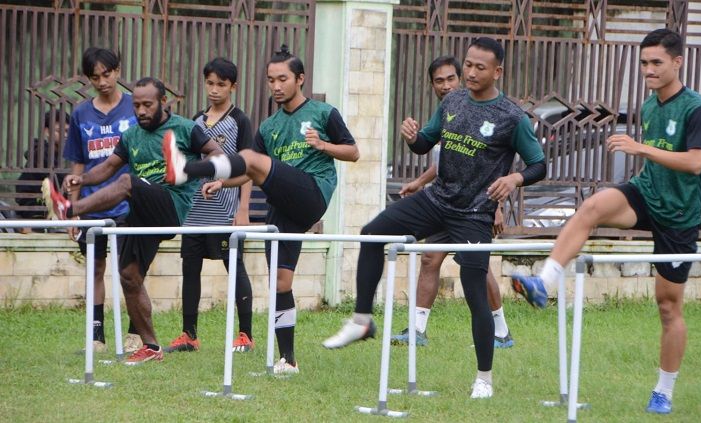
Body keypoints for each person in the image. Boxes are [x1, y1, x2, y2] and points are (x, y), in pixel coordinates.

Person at [322, 37, 546, 399]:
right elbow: (426, 142)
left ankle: (484, 379)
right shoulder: (453, 101)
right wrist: (412, 138)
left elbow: (539, 164)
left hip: (474, 213)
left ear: (497, 72)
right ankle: (362, 320)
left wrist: (514, 178)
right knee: (372, 232)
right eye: (468, 65)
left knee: (475, 292)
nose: (470, 73)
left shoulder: (511, 117)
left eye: (479, 67)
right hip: (436, 200)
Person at [511, 29, 701, 414]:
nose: (648, 70)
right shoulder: (651, 106)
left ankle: (664, 391)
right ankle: (544, 283)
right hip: (645, 193)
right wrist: (643, 159)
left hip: (679, 214)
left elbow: (696, 163)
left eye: (656, 63)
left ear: (677, 62)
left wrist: (640, 147)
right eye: (643, 63)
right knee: (591, 207)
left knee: (668, 306)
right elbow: (656, 161)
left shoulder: (696, 108)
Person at [164, 46, 359, 374]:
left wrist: (322, 145)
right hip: (283, 206)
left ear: (300, 79)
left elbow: (353, 152)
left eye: (283, 79)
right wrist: (222, 184)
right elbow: (249, 171)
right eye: (271, 80)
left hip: (312, 193)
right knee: (280, 283)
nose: (276, 86)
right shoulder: (268, 127)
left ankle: (187, 170)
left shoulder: (324, 113)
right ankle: (288, 360)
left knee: (252, 158)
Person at [45, 77, 222, 364]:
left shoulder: (185, 128)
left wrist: (204, 175)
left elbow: (217, 152)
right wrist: (82, 177)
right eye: (136, 105)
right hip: (141, 212)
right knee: (129, 276)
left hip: (170, 206)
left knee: (128, 181)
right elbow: (107, 167)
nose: (140, 111)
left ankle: (69, 209)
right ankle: (151, 347)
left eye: (147, 105)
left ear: (163, 103)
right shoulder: (131, 136)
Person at [390, 55, 514, 349]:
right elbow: (449, 161)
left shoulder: (495, 110)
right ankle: (416, 330)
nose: (445, 86)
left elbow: (499, 164)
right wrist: (420, 182)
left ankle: (501, 332)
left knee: (475, 267)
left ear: (463, 78)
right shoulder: (450, 109)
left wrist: (496, 207)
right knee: (431, 257)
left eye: (451, 79)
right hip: (447, 203)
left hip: (476, 208)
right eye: (439, 81)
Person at [165, 58, 255, 354]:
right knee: (190, 269)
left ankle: (245, 335)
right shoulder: (196, 121)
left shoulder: (239, 120)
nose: (214, 90)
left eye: (221, 84)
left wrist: (243, 210)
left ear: (233, 87)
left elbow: (248, 168)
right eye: (210, 83)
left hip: (226, 211)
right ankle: (189, 334)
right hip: (195, 212)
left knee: (235, 268)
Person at [60, 47, 139, 354]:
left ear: (118, 71)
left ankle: (135, 332)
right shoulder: (81, 113)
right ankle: (97, 337)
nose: (103, 81)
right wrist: (73, 209)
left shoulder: (135, 107)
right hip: (92, 206)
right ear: (88, 79)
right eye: (96, 77)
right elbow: (78, 164)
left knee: (130, 270)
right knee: (95, 268)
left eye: (108, 74)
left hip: (127, 204)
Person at [16, 110, 69, 226]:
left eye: (67, 131)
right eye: (59, 131)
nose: (65, 135)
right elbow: (58, 179)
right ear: (47, 132)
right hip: (33, 207)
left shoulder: (59, 155)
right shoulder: (41, 152)